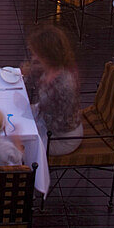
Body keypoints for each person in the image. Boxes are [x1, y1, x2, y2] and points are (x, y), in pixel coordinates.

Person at [22, 28, 82, 156]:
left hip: (61, 137)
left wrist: (23, 122)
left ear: (47, 55)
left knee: (17, 147)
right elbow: (29, 76)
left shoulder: (63, 85)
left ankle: (32, 174)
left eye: (36, 53)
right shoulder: (52, 67)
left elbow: (53, 119)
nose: (33, 56)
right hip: (46, 119)